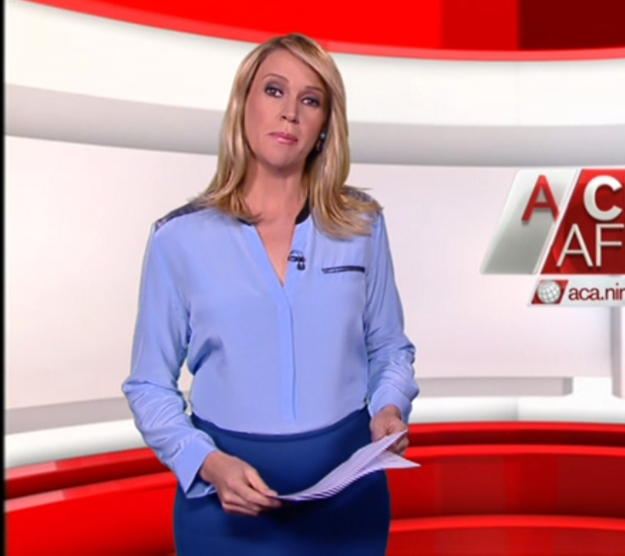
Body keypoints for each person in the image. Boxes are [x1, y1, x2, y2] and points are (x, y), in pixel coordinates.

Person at [122, 33, 419, 555]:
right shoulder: (178, 238)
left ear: (326, 124)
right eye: (274, 91)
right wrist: (205, 462)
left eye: (310, 100)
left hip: (348, 501)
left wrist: (389, 408)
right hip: (225, 506)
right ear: (244, 104)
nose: (290, 114)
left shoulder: (362, 226)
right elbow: (149, 384)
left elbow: (390, 348)